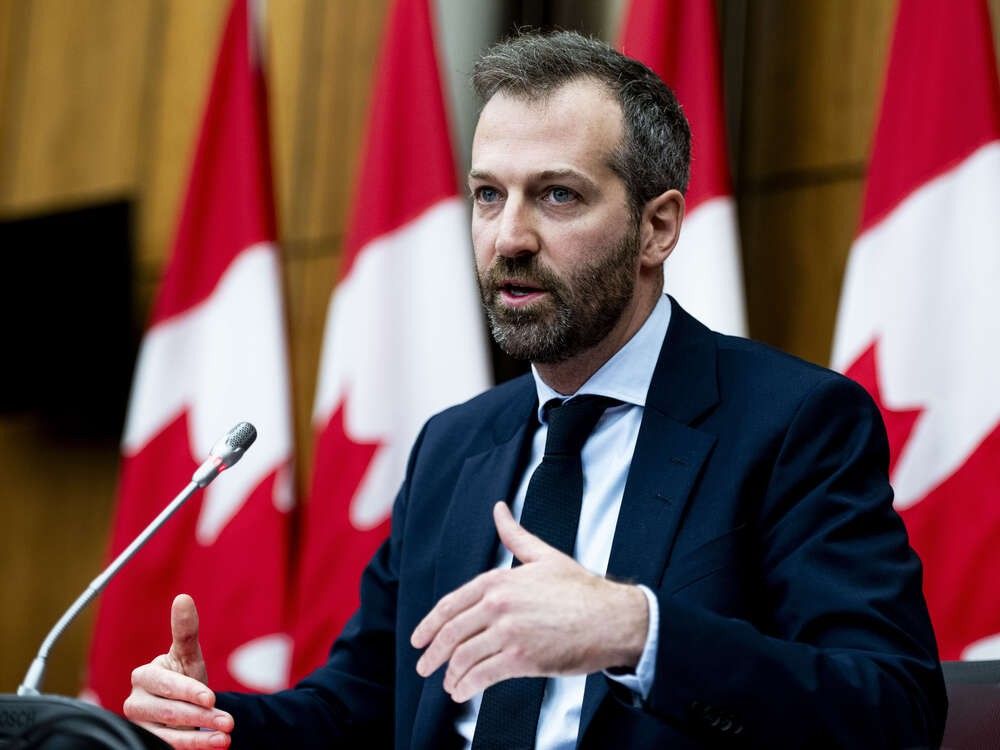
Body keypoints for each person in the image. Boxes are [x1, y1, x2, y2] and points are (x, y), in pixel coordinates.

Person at [123, 31, 947, 749]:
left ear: (656, 227)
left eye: (557, 195)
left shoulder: (793, 423)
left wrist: (635, 632)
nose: (509, 237)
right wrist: (215, 723)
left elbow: (893, 710)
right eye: (489, 194)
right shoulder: (453, 445)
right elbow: (368, 703)